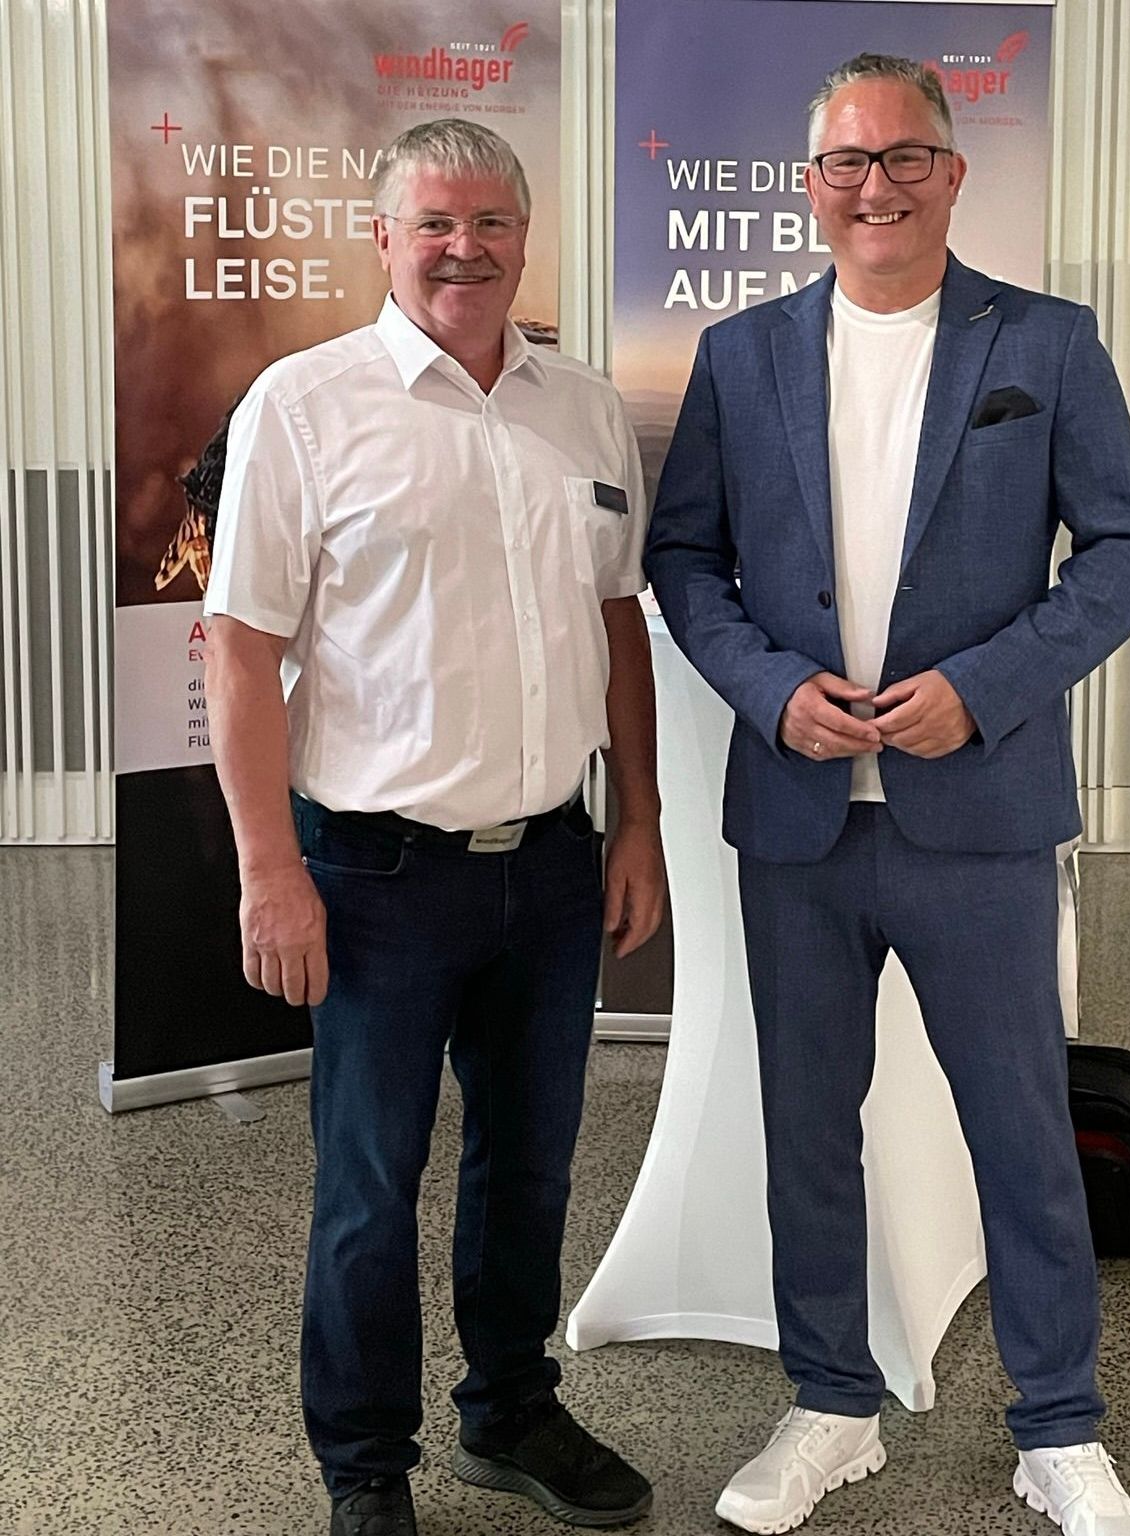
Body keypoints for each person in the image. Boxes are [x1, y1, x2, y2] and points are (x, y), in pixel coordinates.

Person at [645, 53, 1130, 1536]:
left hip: (978, 815)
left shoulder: (1046, 342)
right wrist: (767, 689)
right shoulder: (740, 355)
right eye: (847, 163)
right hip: (799, 819)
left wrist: (986, 687)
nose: (874, 186)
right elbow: (685, 559)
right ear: (812, 184)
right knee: (807, 1129)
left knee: (1021, 1129)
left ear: (952, 171)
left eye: (904, 158)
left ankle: (1059, 1431)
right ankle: (829, 1406)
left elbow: (1126, 554)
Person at [204, 118, 663, 1536]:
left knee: (530, 1166)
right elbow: (240, 648)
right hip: (374, 875)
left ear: (526, 237)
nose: (466, 249)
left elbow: (618, 622)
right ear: (385, 239)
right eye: (435, 225)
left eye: (492, 224)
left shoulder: (582, 406)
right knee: (368, 1187)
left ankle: (511, 1408)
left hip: (553, 861)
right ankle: (365, 1468)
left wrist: (637, 825)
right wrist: (269, 870)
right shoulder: (302, 406)